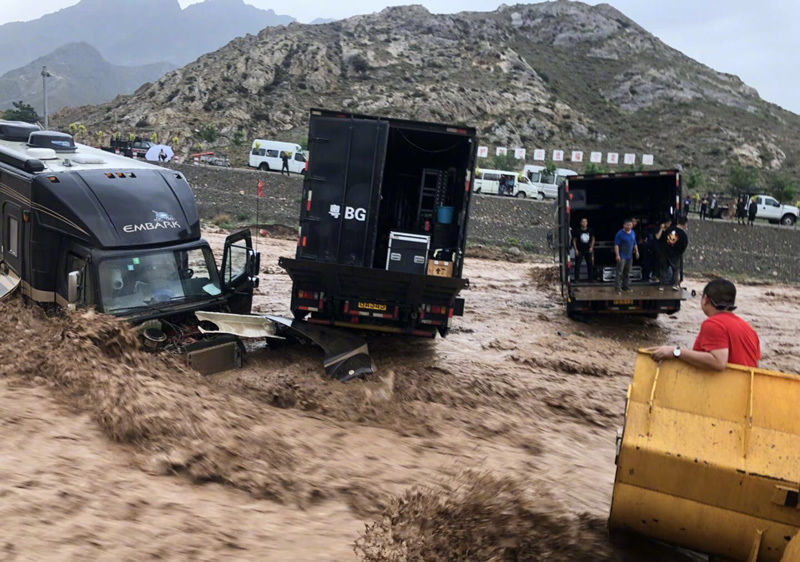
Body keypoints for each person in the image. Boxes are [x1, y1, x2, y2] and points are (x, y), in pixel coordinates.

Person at [648, 279, 760, 369]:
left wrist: (676, 352)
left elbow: (718, 362)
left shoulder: (713, 324)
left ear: (705, 299)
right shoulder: (749, 329)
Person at [655, 216, 689, 291]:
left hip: (665, 253)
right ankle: (674, 284)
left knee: (663, 269)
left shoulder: (669, 230)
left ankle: (661, 285)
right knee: (675, 270)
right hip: (675, 255)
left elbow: (662, 240)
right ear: (685, 224)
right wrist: (679, 253)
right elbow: (684, 246)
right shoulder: (683, 235)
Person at [614, 218, 639, 294]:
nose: (629, 226)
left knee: (627, 272)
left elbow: (634, 242)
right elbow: (616, 245)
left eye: (630, 225)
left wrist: (637, 251)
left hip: (629, 256)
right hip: (622, 255)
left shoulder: (633, 232)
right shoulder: (620, 233)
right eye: (627, 225)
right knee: (619, 272)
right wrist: (617, 255)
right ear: (624, 225)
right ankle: (617, 288)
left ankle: (626, 286)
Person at [571, 217, 595, 282]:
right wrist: (575, 249)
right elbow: (574, 240)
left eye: (585, 222)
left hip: (588, 249)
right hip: (580, 250)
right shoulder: (578, 231)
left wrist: (591, 247)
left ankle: (591, 279)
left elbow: (593, 239)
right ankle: (576, 279)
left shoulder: (590, 230)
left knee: (590, 264)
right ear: (580, 223)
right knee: (577, 265)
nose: (584, 223)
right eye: (583, 222)